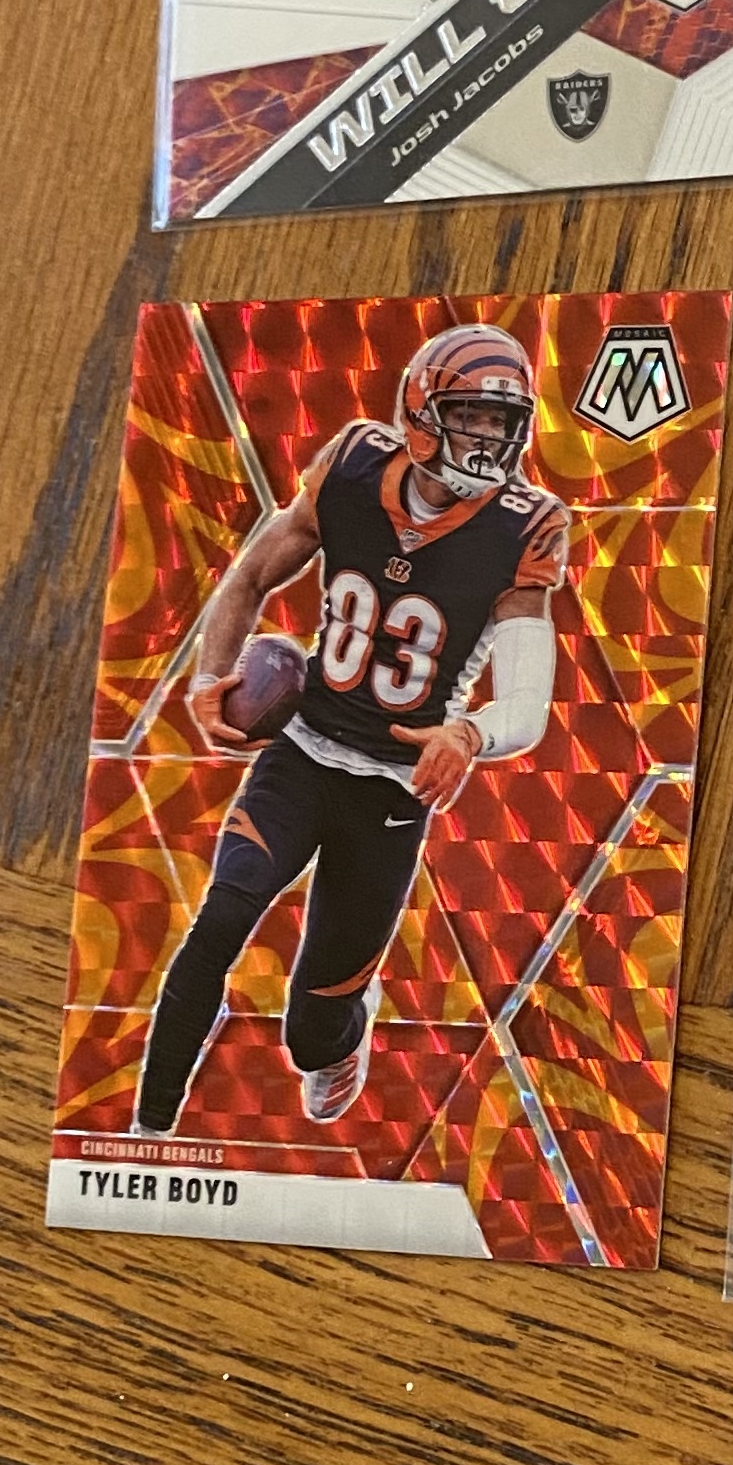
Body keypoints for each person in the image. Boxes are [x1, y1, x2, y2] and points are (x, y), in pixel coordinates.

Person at [135, 325, 564, 1135]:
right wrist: (208, 677)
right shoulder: (354, 463)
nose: (488, 436)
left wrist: (468, 734)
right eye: (470, 415)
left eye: (502, 420)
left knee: (311, 1028)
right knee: (219, 920)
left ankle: (341, 1039)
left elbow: (526, 699)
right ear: (423, 411)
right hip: (301, 755)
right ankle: (150, 1128)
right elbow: (252, 575)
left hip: (391, 793)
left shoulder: (524, 523)